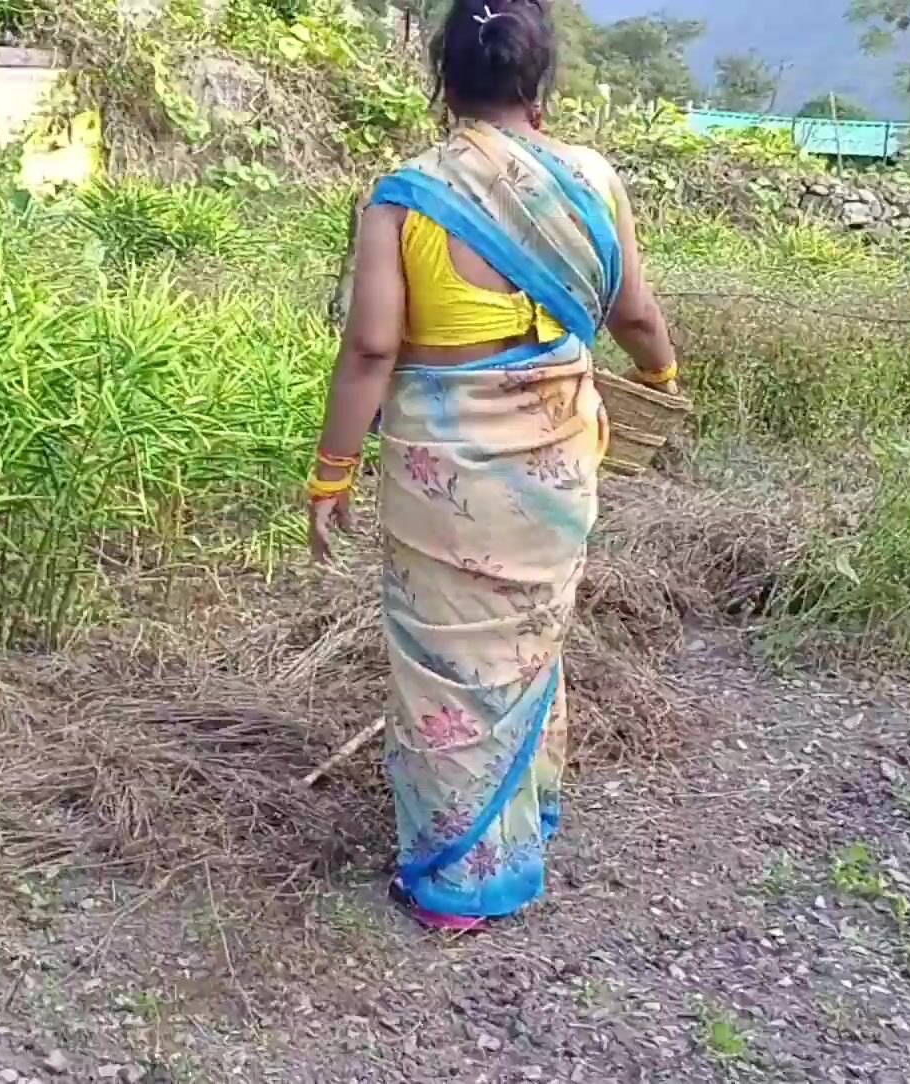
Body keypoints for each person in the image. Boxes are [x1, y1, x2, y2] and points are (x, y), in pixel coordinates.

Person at [307, 0, 680, 933]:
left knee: (447, 666)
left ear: (443, 79)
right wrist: (662, 379)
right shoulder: (591, 178)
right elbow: (634, 315)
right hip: (555, 466)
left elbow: (371, 350)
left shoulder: (404, 196)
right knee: (529, 645)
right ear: (538, 78)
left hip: (444, 479)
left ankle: (455, 880)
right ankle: (518, 832)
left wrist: (331, 471)